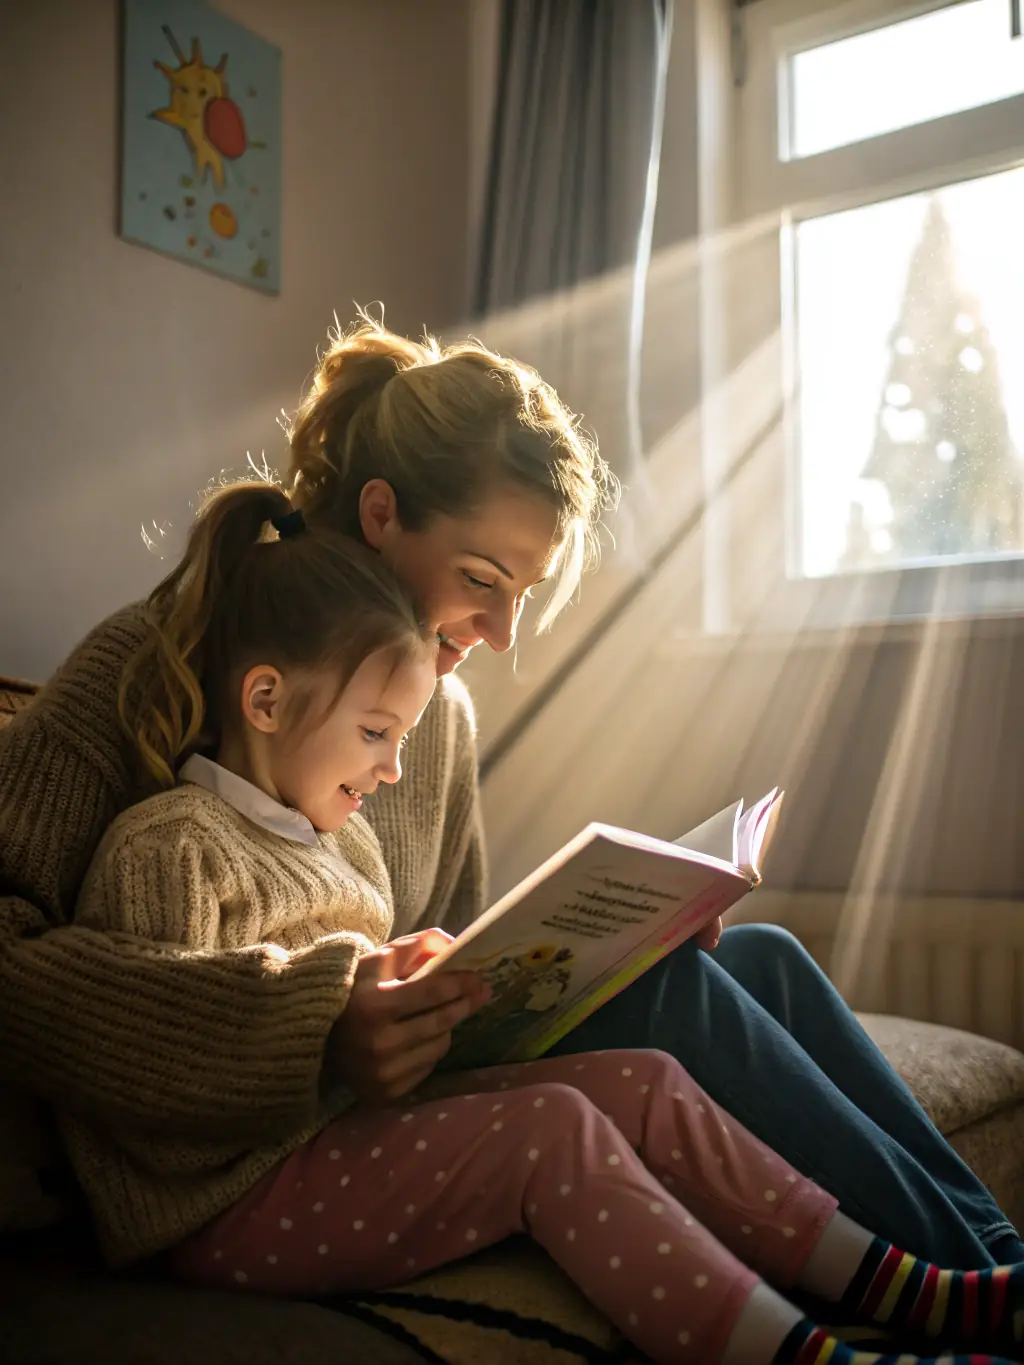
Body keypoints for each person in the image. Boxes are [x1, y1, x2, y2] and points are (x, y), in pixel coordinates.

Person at [0, 317, 1018, 1292]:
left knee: (767, 966)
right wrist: (306, 1025)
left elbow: (449, 936)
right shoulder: (150, 661)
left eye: (521, 596)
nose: (497, 632)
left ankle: (997, 1257)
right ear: (382, 512)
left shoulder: (433, 714)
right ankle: (976, 1287)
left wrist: (619, 938)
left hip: (394, 1074)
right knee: (670, 1007)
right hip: (255, 1135)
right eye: (481, 579)